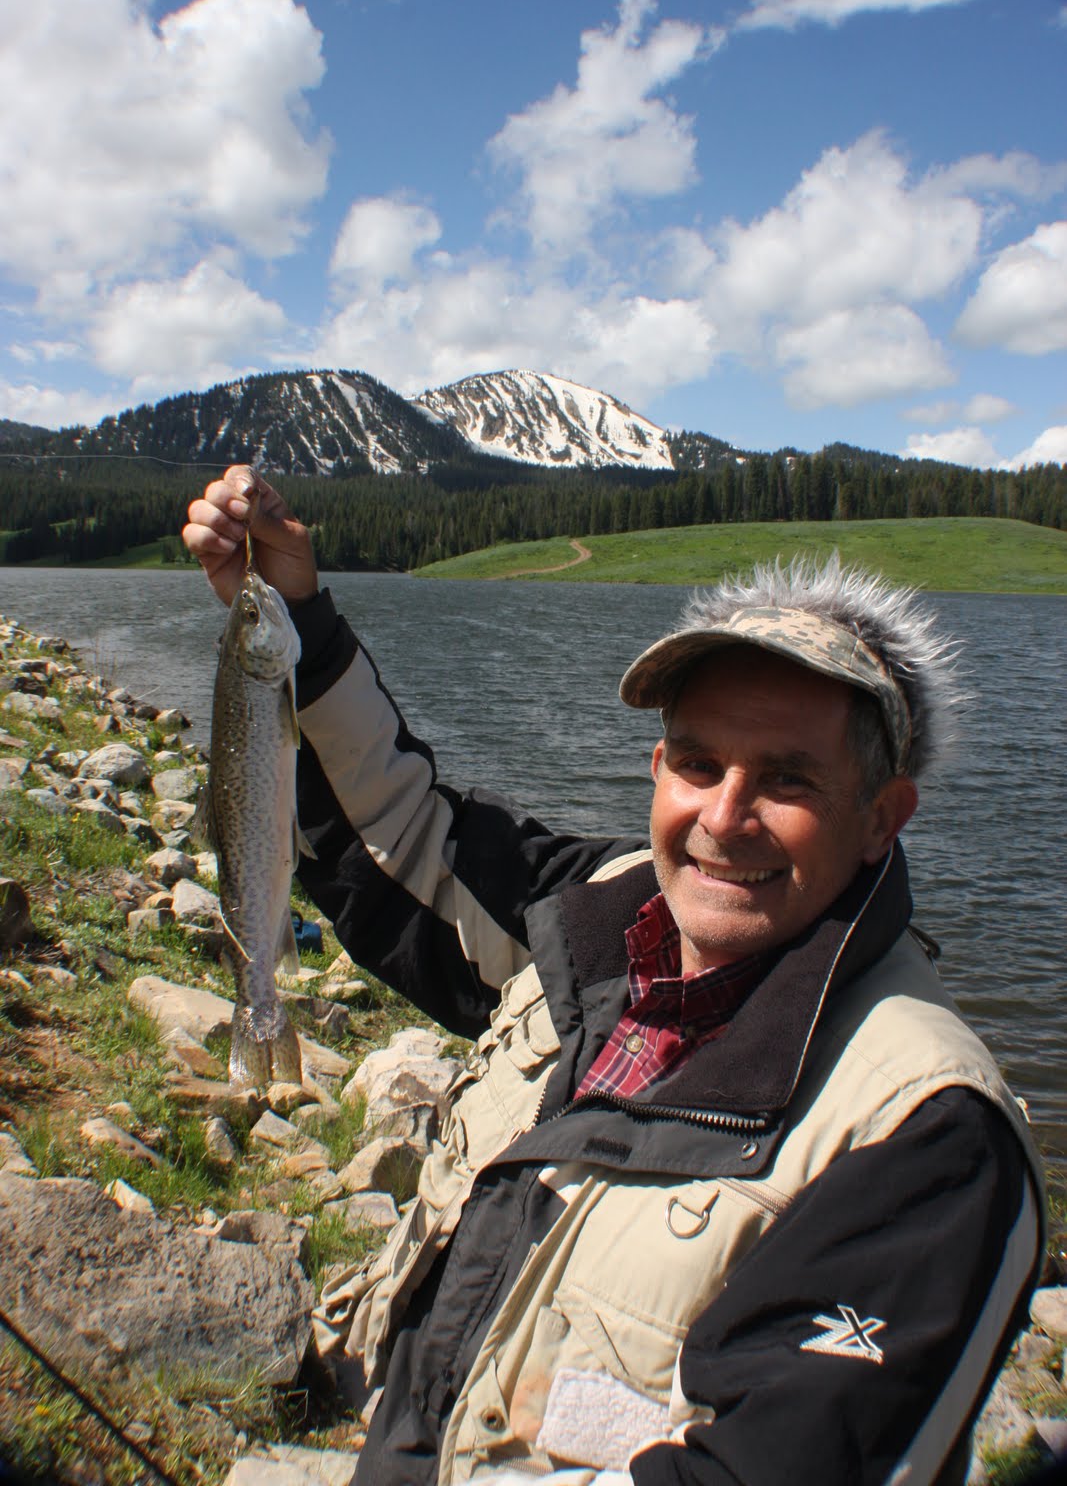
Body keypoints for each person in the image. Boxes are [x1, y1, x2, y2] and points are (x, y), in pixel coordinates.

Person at [183, 467, 1045, 1486]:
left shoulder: (926, 1134)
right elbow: (399, 829)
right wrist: (296, 619)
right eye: (696, 762)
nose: (723, 817)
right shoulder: (585, 919)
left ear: (880, 817)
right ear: (654, 771)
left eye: (786, 777)